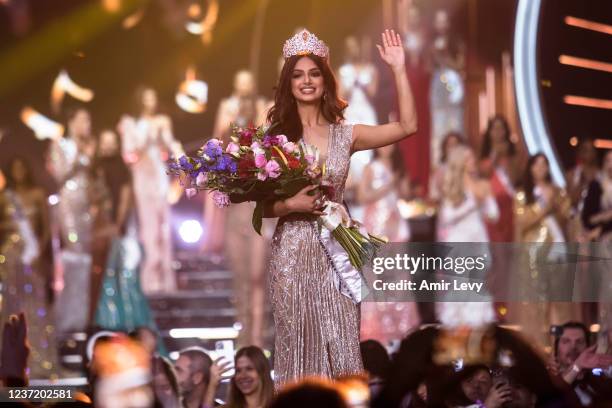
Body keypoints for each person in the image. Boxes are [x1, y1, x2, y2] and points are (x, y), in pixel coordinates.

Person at [263, 28, 416, 387]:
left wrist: (398, 69)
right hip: (293, 252)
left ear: (325, 79)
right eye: (298, 75)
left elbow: (408, 126)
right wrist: (292, 204)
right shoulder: (276, 138)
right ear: (288, 83)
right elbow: (263, 207)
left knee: (342, 341)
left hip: (337, 251)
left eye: (314, 73)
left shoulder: (346, 134)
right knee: (297, 343)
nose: (306, 81)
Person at [207, 69, 271, 347]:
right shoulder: (227, 114)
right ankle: (245, 336)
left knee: (257, 276)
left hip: (257, 209)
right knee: (241, 277)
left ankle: (257, 336)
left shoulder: (263, 109)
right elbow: (215, 144)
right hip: (236, 211)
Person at [118, 87, 181, 294]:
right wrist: (146, 140)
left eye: (153, 98)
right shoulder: (130, 123)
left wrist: (179, 154)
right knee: (148, 227)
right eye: (147, 99)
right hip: (142, 176)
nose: (151, 102)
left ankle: (165, 279)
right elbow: (129, 154)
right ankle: (149, 280)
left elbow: (170, 144)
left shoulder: (162, 120)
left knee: (164, 225)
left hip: (159, 175)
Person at [358, 144, 419, 344]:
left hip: (396, 227)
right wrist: (387, 185)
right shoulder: (371, 168)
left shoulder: (397, 167)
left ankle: (401, 327)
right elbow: (362, 196)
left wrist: (403, 181)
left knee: (399, 276)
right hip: (377, 227)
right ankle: (380, 330)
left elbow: (406, 195)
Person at [511, 154, 574, 346]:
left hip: (558, 251)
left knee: (560, 300)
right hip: (533, 252)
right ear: (529, 168)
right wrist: (544, 208)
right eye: (536, 164)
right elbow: (522, 222)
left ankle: (562, 344)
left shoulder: (558, 192)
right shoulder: (523, 195)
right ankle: (538, 346)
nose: (540, 168)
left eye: (544, 164)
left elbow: (569, 216)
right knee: (536, 301)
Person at [2, 158, 57, 379]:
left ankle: (38, 359)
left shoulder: (37, 194)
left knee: (35, 307)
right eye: (14, 168)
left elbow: (46, 228)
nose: (18, 171)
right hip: (9, 257)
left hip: (32, 258)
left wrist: (39, 253)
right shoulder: (4, 197)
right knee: (11, 307)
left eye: (22, 167)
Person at [436, 145, 499, 326]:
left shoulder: (483, 184)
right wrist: (472, 203)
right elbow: (447, 217)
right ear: (460, 163)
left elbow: (494, 215)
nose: (473, 162)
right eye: (469, 159)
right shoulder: (454, 187)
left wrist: (487, 200)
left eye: (473, 158)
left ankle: (477, 331)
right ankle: (457, 331)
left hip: (478, 239)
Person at [48, 107, 96, 333]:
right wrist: (79, 155)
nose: (87, 124)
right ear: (72, 120)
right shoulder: (61, 144)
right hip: (68, 202)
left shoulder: (90, 145)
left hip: (88, 204)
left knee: (87, 257)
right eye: (83, 119)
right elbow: (60, 174)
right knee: (73, 252)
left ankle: (86, 313)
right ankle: (69, 316)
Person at [548, 321, 612, 406]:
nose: (573, 347)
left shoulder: (601, 380)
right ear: (556, 349)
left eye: (580, 342)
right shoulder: (547, 381)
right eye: (566, 341)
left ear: (588, 347)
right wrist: (577, 366)